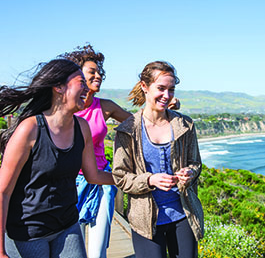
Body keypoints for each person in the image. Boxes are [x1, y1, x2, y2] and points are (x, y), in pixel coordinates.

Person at [59, 44, 181, 258]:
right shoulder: (63, 108)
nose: (98, 75)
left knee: (97, 250)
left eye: (99, 72)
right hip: (69, 183)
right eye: (91, 72)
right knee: (72, 248)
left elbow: (141, 123)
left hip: (100, 181)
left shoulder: (105, 107)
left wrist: (166, 106)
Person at [0, 59, 114, 258]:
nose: (87, 88)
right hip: (28, 232)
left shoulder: (82, 127)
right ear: (58, 87)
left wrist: (136, 179)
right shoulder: (30, 129)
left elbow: (93, 175)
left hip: (67, 224)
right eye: (81, 81)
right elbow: (3, 192)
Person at [112, 61, 204, 258]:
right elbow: (120, 177)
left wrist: (190, 173)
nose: (167, 95)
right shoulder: (128, 130)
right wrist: (150, 180)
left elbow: (195, 163)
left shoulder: (184, 124)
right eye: (161, 88)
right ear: (144, 87)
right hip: (145, 221)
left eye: (171, 89)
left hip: (183, 215)